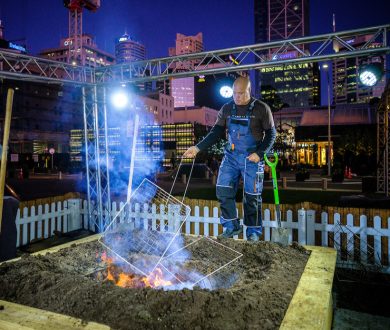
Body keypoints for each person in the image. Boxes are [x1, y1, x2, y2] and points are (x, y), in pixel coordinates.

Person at [183, 76, 276, 241]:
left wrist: (260, 153)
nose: (237, 97)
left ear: (249, 91)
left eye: (241, 93)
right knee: (223, 190)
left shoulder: (262, 109)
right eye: (234, 93)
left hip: (252, 158)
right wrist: (197, 148)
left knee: (252, 197)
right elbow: (215, 132)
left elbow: (271, 134)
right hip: (231, 157)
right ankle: (231, 226)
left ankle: (253, 232)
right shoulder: (226, 108)